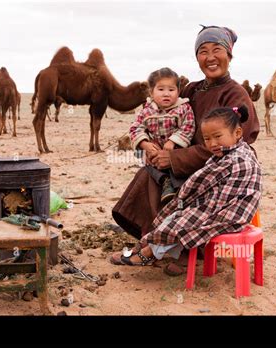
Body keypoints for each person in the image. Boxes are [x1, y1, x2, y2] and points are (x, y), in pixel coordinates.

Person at [111, 25, 261, 275]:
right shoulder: (191, 89)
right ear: (197, 57)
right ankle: (160, 245)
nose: (210, 57)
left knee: (176, 186)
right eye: (203, 51)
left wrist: (175, 158)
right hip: (185, 159)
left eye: (217, 50)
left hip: (219, 168)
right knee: (150, 174)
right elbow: (166, 113)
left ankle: (175, 250)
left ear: (229, 54)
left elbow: (230, 146)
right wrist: (153, 147)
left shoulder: (236, 94)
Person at [115, 105, 262, 266]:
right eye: (207, 139)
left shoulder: (236, 159)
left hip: (230, 212)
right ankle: (147, 245)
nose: (212, 143)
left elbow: (206, 186)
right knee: (177, 214)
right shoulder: (227, 152)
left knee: (182, 222)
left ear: (238, 133)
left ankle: (148, 252)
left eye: (217, 136)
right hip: (220, 204)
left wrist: (187, 201)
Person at [130, 67, 195, 204]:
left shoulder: (183, 108)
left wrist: (173, 141)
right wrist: (144, 144)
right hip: (154, 151)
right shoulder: (147, 112)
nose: (166, 94)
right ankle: (165, 181)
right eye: (161, 89)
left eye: (171, 90)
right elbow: (136, 128)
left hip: (176, 150)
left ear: (178, 91)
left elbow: (188, 127)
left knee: (178, 165)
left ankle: (178, 187)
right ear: (151, 92)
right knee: (145, 160)